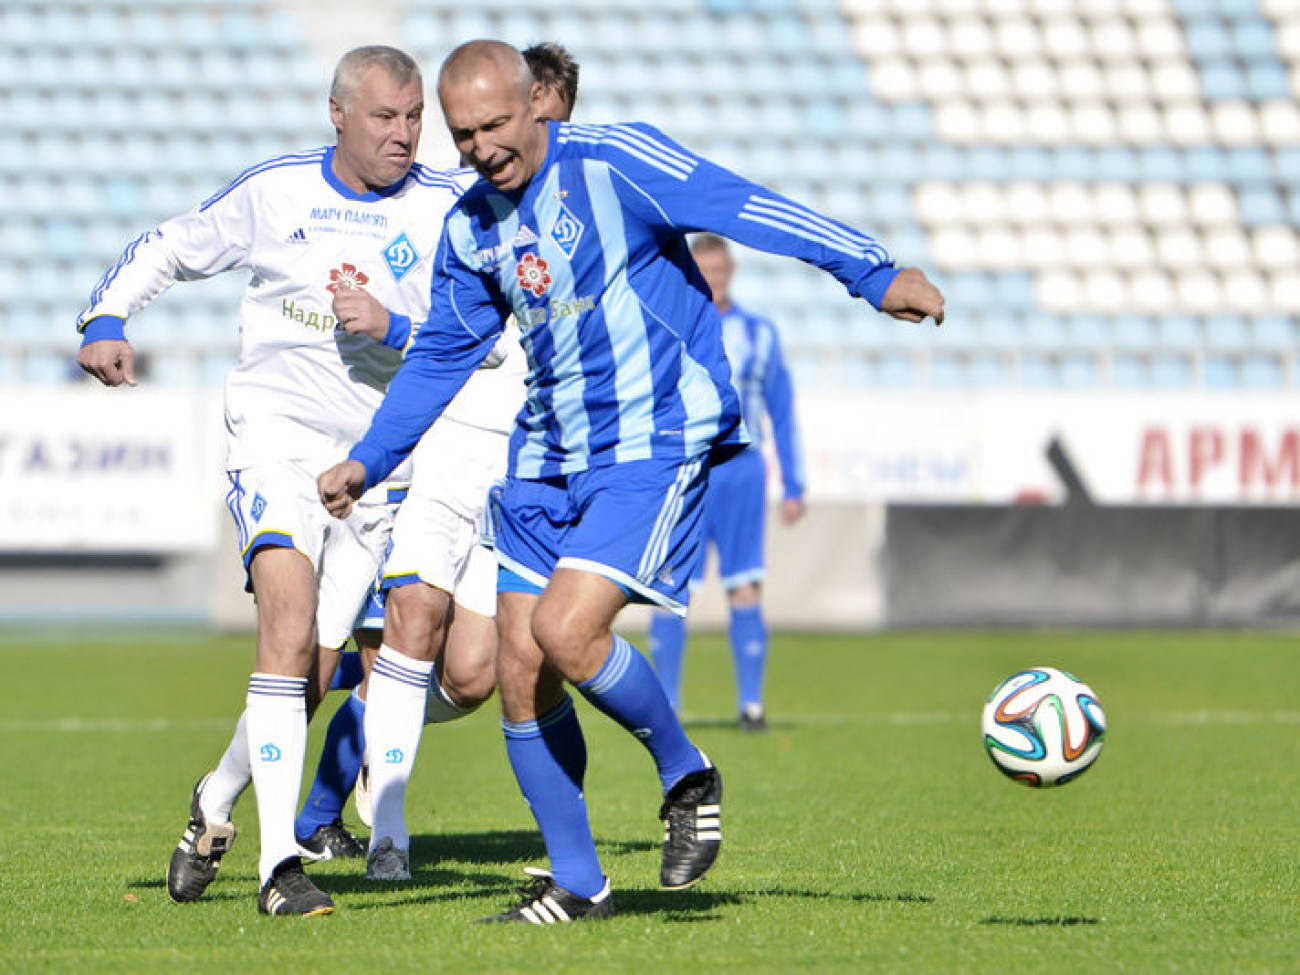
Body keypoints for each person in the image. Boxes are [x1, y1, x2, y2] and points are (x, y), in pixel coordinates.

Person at [318, 39, 944, 925]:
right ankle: (579, 882)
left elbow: (745, 205)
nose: (480, 148)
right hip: (542, 460)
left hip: (650, 443)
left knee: (567, 631)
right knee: (521, 670)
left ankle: (685, 769)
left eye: (495, 125)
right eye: (461, 135)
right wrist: (370, 457)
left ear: (539, 102)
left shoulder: (617, 163)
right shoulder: (470, 228)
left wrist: (870, 271)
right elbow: (440, 357)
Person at [75, 45, 478, 916]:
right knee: (288, 628)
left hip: (382, 461)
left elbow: (478, 332)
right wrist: (108, 315)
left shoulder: (451, 206)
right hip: (277, 441)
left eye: (414, 118)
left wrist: (395, 324)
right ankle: (278, 867)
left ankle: (215, 800)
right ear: (337, 114)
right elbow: (171, 247)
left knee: (312, 671)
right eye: (384, 117)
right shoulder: (277, 191)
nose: (403, 135)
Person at [314, 40, 585, 882]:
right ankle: (364, 827)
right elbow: (456, 335)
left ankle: (357, 725)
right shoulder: (463, 207)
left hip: (533, 455)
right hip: (451, 444)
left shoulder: (580, 204)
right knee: (399, 627)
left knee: (487, 667)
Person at [648, 234, 805, 732]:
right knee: (670, 586)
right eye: (704, 269)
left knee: (745, 584)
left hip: (742, 472)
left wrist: (795, 483)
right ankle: (666, 705)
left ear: (730, 270)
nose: (712, 278)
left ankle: (751, 707)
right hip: (687, 468)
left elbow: (781, 408)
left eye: (719, 269)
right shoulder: (670, 324)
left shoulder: (760, 332)